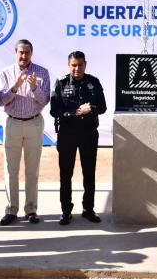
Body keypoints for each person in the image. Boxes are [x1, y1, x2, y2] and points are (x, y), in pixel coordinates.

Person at [0, 39, 50, 225]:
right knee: (11, 169)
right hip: (13, 124)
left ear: (31, 53)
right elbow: (1, 101)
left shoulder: (42, 72)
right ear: (15, 53)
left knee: (32, 170)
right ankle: (11, 210)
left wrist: (34, 87)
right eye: (21, 52)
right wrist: (15, 87)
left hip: (34, 123)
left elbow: (44, 101)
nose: (24, 56)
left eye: (27, 53)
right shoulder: (5, 73)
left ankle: (31, 209)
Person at [50, 51, 107, 225]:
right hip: (67, 133)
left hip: (89, 133)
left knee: (89, 173)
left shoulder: (93, 82)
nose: (77, 68)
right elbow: (54, 110)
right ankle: (66, 211)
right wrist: (74, 112)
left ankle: (88, 209)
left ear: (85, 65)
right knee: (65, 174)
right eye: (74, 65)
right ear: (69, 65)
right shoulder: (60, 82)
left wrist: (91, 108)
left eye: (80, 65)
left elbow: (103, 106)